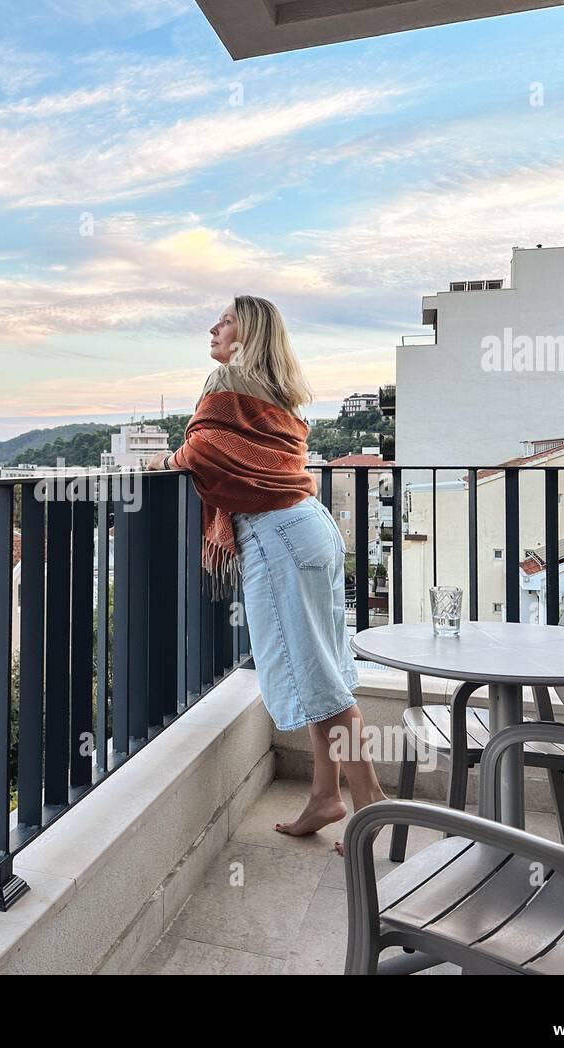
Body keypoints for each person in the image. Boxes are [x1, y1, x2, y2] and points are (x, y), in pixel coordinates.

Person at [148, 295, 386, 846]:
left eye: (225, 319)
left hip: (276, 534)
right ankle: (326, 797)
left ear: (248, 333)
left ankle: (371, 802)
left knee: (320, 679)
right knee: (325, 667)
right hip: (311, 526)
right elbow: (247, 456)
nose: (213, 327)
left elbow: (205, 453)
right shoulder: (281, 393)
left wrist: (164, 461)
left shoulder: (226, 384)